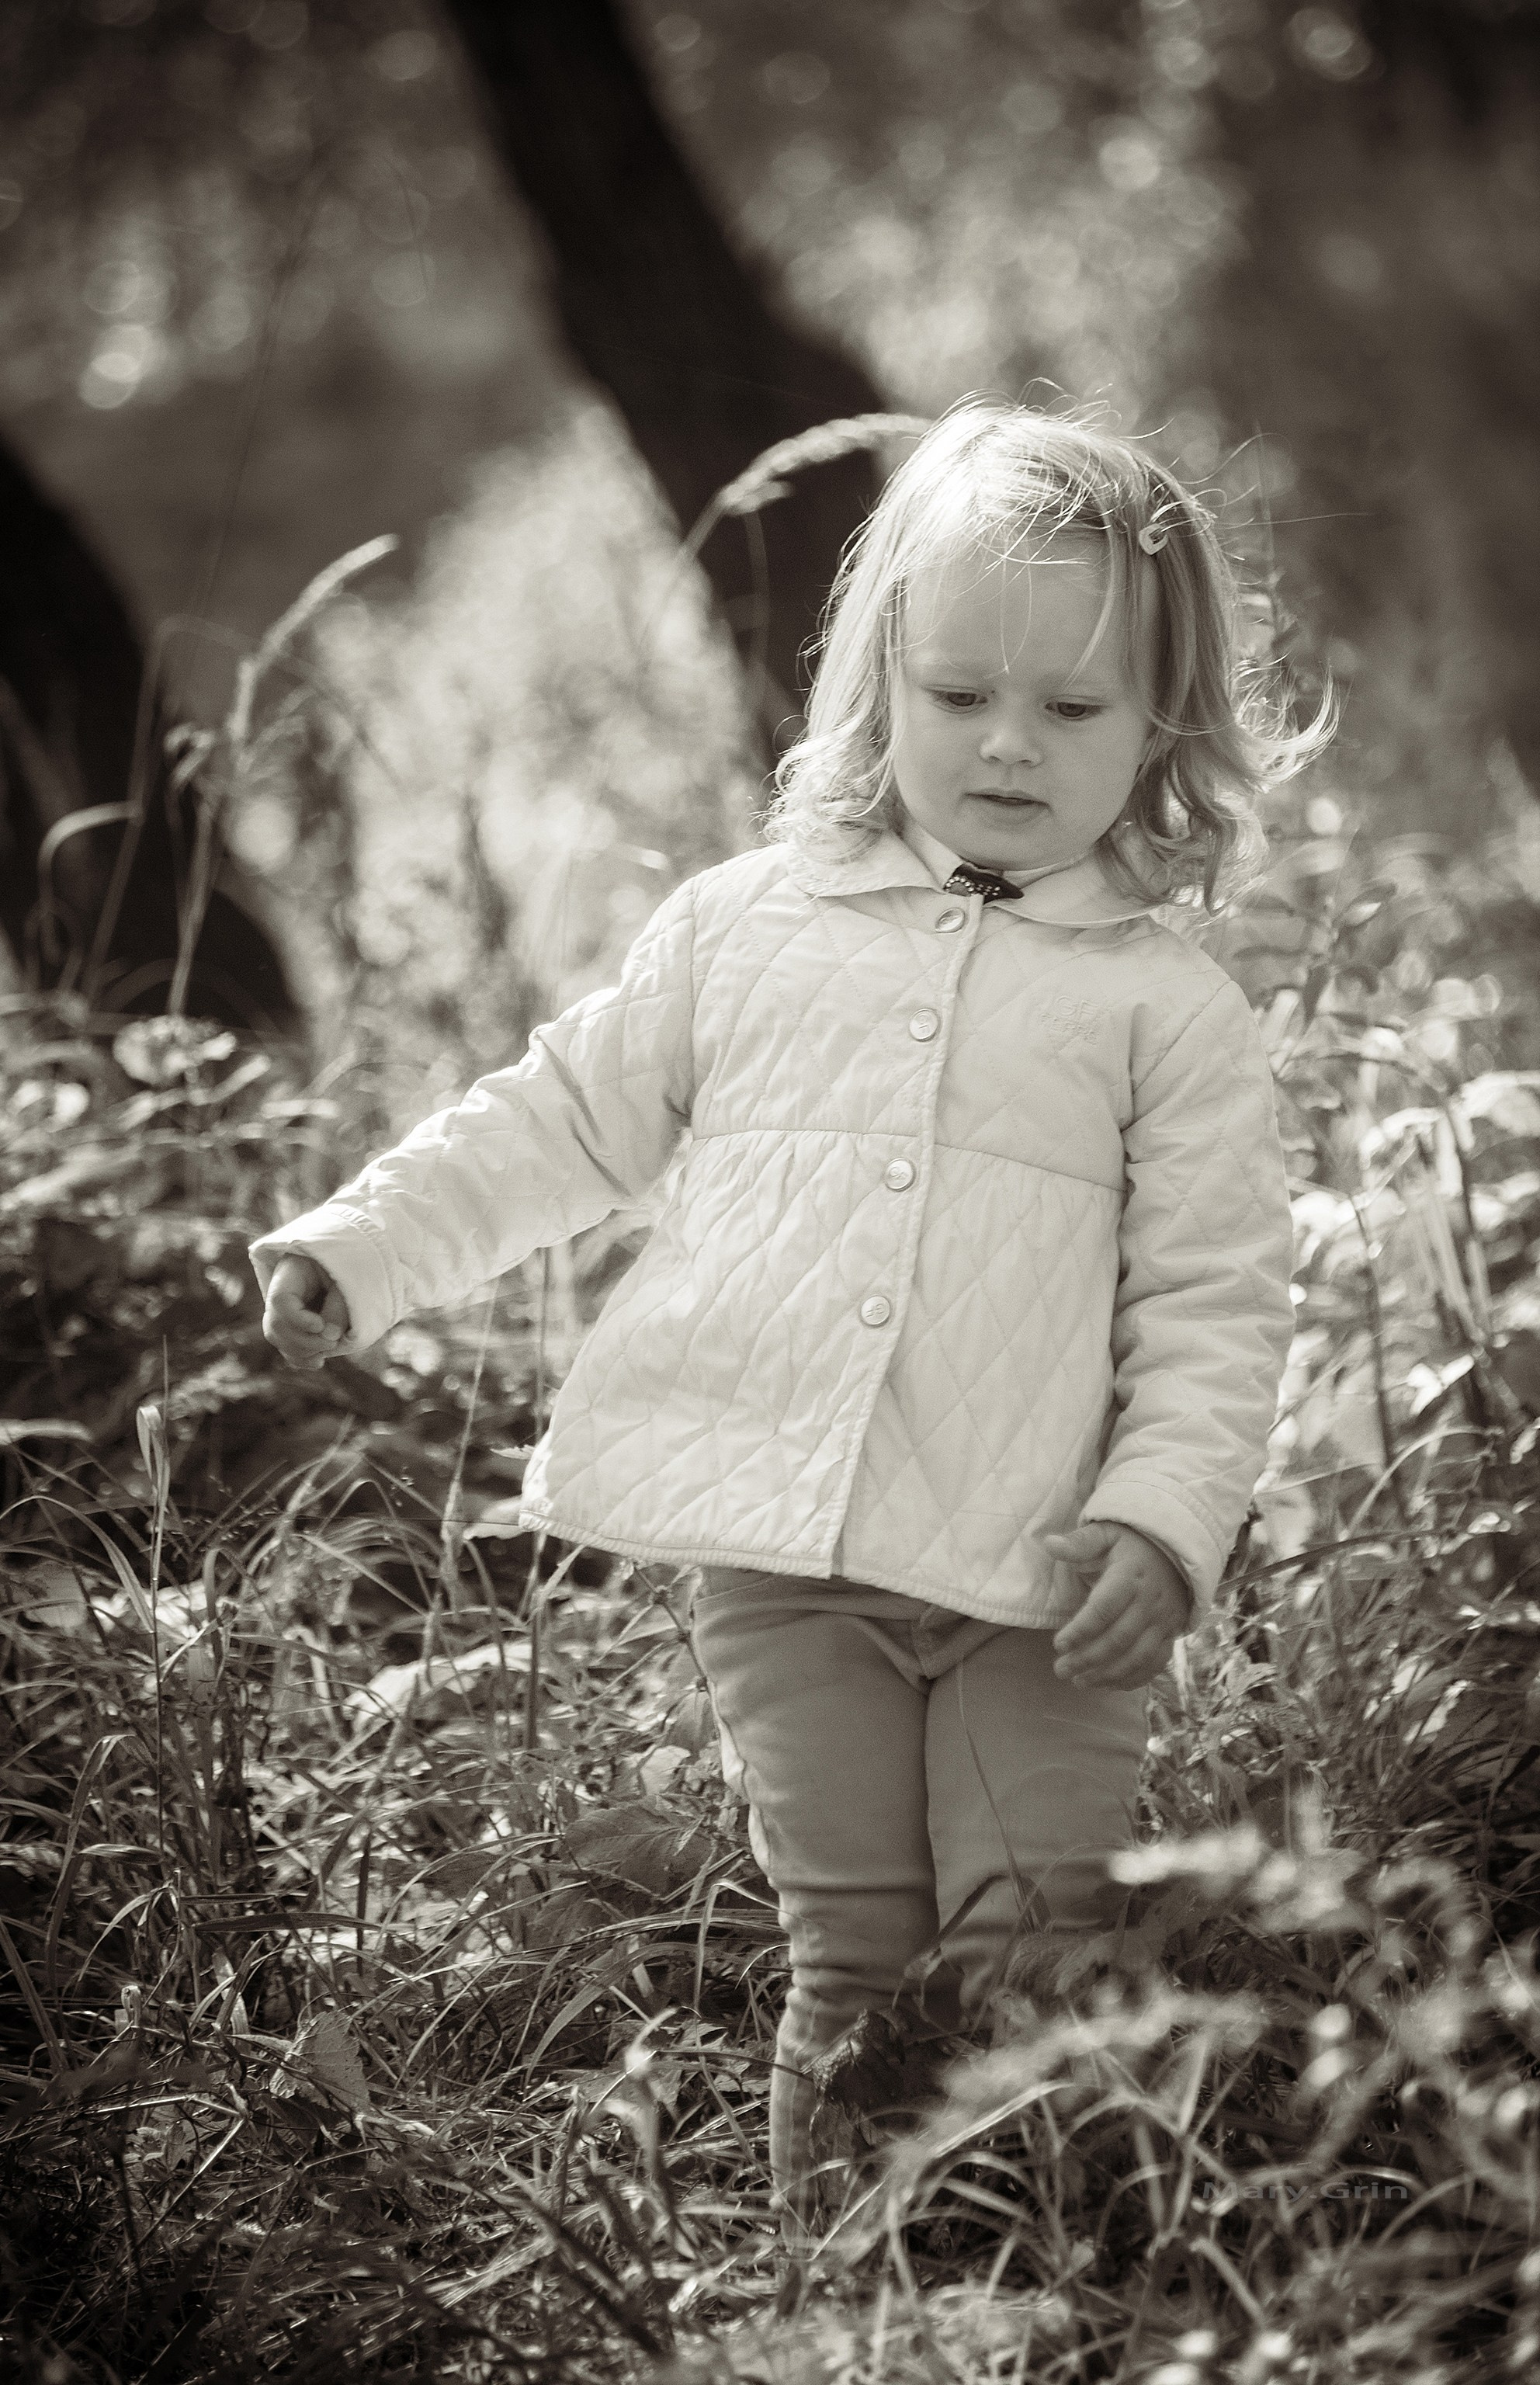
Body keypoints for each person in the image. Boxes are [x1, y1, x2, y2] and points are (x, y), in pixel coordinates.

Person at [252, 401, 1317, 2234]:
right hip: (785, 1557)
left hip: (1044, 1578)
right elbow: (558, 1117)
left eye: (1073, 709)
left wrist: (1162, 1519)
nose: (1007, 742)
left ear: (1161, 726)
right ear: (878, 677)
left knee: (1027, 1938)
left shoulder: (1165, 1013)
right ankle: (831, 2289)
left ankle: (1017, 2275)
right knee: (853, 1944)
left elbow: (1214, 1299)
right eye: (959, 691)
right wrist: (367, 1247)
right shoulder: (746, 927)